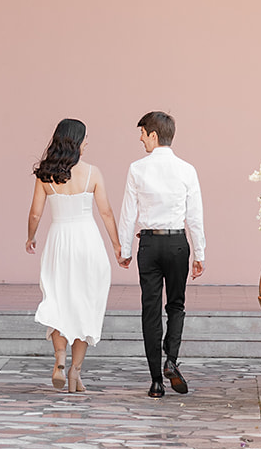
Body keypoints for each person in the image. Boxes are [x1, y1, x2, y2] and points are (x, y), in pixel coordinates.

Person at [26, 118, 122, 393]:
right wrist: (116, 245)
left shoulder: (45, 174)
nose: (87, 142)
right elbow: (106, 212)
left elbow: (35, 213)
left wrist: (30, 237)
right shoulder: (92, 173)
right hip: (87, 241)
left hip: (59, 240)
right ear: (77, 142)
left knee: (58, 299)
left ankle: (59, 359)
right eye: (85, 138)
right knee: (86, 303)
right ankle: (75, 372)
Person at [117, 110, 205, 398]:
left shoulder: (137, 168)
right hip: (178, 243)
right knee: (176, 305)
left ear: (153, 135)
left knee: (150, 310)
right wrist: (199, 253)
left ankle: (156, 381)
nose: (140, 139)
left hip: (150, 246)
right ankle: (171, 360)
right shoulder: (187, 169)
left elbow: (128, 213)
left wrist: (124, 248)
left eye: (142, 134)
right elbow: (195, 216)